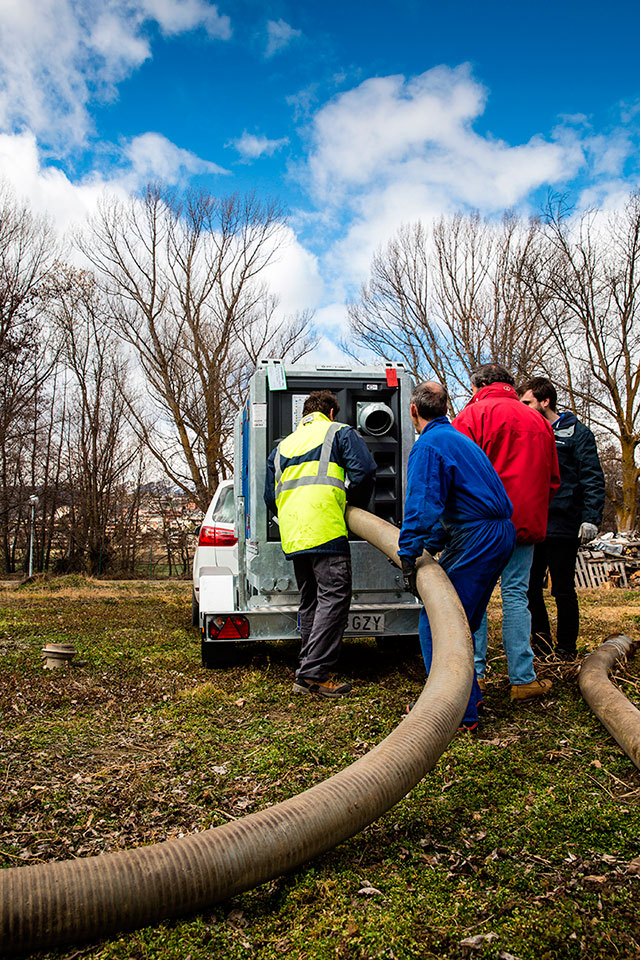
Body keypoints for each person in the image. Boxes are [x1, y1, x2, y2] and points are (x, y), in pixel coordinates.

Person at [398, 381, 516, 731]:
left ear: (413, 411)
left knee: (437, 623)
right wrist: (430, 544)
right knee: (464, 622)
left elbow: (422, 504)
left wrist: (408, 555)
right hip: (499, 533)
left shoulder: (429, 445)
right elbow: (455, 504)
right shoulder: (460, 440)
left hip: (478, 537)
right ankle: (469, 696)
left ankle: (454, 712)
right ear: (446, 408)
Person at [452, 363, 560, 701]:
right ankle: (523, 679)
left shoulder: (472, 416)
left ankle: (475, 674)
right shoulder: (540, 423)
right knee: (516, 596)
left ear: (479, 385)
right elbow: (552, 480)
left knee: (476, 598)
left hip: (481, 526)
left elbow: (454, 467)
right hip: (524, 525)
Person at [264, 389, 377, 698]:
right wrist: (350, 505)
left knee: (312, 600)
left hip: (295, 533)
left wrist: (294, 516)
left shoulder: (281, 447)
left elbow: (268, 498)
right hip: (325, 527)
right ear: (330, 413)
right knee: (334, 598)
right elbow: (365, 471)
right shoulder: (338, 432)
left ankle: (307, 666)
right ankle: (313, 673)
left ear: (305, 415)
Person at [518, 376, 605, 659]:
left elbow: (592, 478)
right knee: (530, 589)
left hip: (564, 525)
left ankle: (566, 649)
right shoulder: (526, 432)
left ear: (545, 402)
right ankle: (541, 648)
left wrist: (590, 518)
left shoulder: (577, 434)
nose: (523, 407)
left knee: (563, 590)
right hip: (534, 524)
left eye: (528, 402)